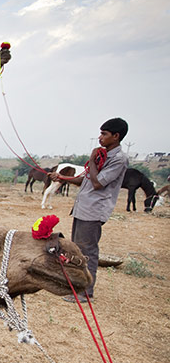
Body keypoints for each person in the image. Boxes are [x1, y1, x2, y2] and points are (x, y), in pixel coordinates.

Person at [49, 118, 129, 303]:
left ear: (116, 136)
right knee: (77, 249)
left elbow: (97, 183)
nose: (100, 137)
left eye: (104, 134)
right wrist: (61, 177)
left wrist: (92, 160)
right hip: (83, 208)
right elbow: (83, 180)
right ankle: (75, 285)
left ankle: (85, 292)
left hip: (94, 210)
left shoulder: (118, 159)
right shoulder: (103, 155)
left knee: (88, 251)